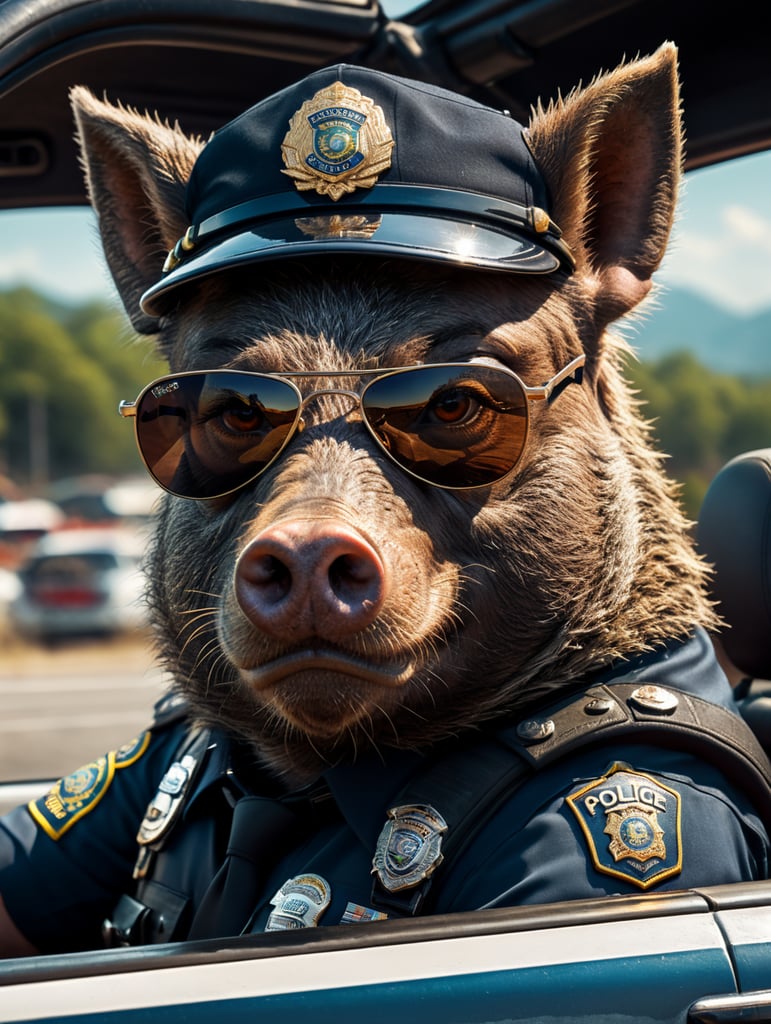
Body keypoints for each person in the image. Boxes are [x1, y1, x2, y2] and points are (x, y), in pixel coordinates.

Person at [1, 55, 769, 957]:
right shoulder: (220, 752)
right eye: (239, 413)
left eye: (453, 408)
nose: (308, 532)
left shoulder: (606, 840)